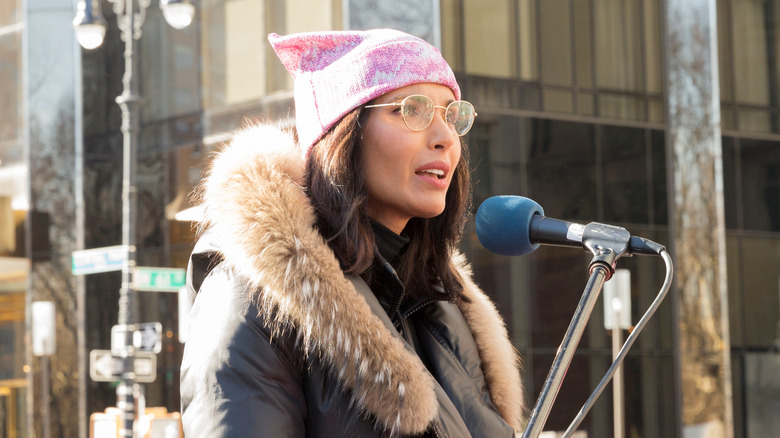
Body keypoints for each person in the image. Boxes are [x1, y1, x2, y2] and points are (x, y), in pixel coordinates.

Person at [180, 29, 525, 437]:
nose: (445, 139)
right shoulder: (251, 299)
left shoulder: (445, 301)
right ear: (343, 133)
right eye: (412, 110)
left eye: (452, 116)